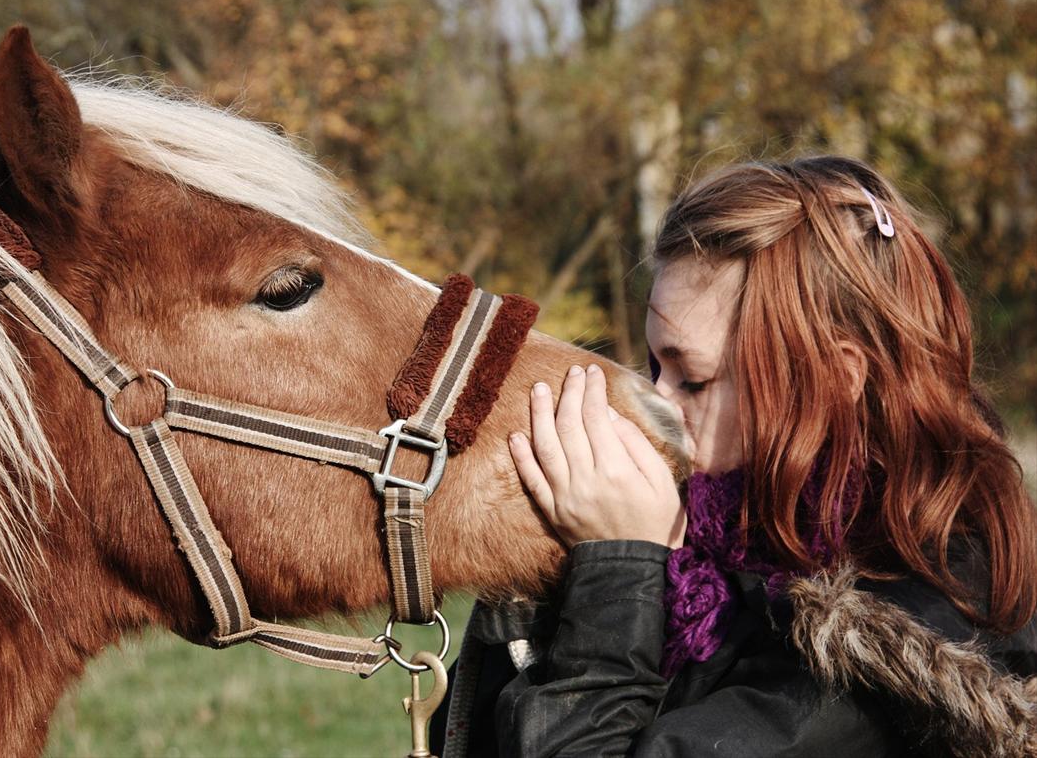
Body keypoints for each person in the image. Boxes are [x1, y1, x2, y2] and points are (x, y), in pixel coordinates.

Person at [430, 156, 1037, 757]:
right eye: (652, 368)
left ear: (833, 379)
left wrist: (616, 573)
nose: (657, 406)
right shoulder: (719, 539)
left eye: (691, 379)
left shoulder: (902, 637)